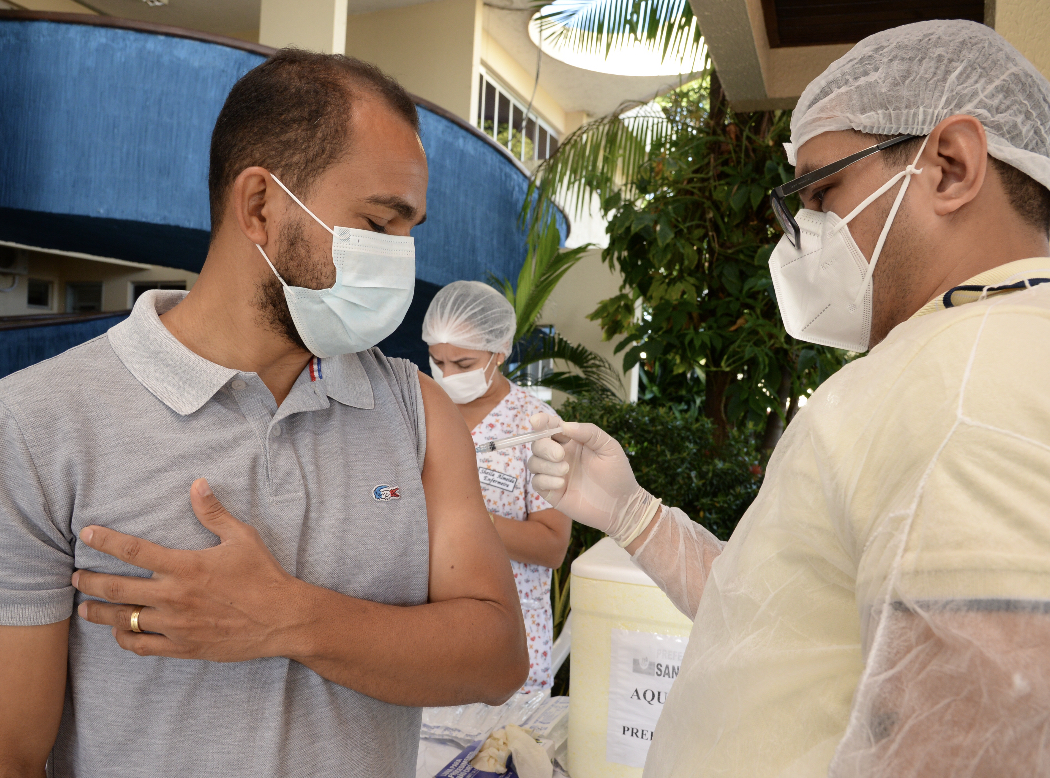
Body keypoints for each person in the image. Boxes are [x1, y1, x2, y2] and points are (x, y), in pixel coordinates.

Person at [528, 19, 1050, 778]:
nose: (802, 235)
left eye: (822, 189)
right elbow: (788, 624)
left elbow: (977, 739)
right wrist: (634, 516)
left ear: (950, 165)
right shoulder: (955, 357)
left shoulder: (970, 379)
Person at [0, 50, 529, 776]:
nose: (401, 260)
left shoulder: (417, 411)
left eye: (410, 231)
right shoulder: (38, 423)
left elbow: (498, 657)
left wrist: (287, 618)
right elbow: (15, 753)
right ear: (260, 206)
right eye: (379, 223)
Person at [422, 280, 571, 691]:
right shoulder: (422, 412)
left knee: (501, 750)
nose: (447, 375)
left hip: (507, 629)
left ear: (499, 352)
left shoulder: (535, 426)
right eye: (438, 361)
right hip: (430, 626)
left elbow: (553, 545)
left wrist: (463, 517)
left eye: (464, 364)